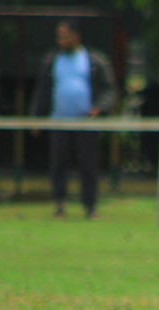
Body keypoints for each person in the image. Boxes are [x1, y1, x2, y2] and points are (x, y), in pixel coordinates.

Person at [29, 19, 118, 219]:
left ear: (76, 36)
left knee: (88, 165)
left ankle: (90, 207)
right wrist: (36, 117)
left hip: (86, 124)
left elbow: (109, 90)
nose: (61, 40)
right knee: (59, 164)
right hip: (59, 122)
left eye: (65, 36)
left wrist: (99, 108)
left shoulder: (94, 60)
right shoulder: (52, 60)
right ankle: (59, 205)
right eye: (59, 36)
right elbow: (42, 91)